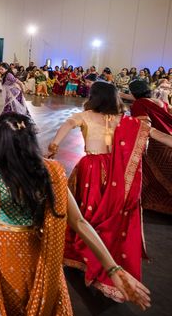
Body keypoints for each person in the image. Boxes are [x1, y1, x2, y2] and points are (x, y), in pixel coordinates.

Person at [0, 112, 150, 316]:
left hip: (0, 253)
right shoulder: (51, 171)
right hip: (39, 255)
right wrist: (113, 269)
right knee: (41, 306)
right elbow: (79, 222)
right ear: (31, 139)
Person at [47, 81, 172, 301]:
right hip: (115, 172)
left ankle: (85, 254)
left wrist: (54, 146)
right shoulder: (124, 120)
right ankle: (103, 255)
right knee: (107, 214)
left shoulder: (85, 116)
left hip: (91, 170)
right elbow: (155, 134)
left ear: (94, 97)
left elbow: (66, 124)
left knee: (85, 212)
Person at [125, 79, 172, 214]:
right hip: (168, 138)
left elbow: (144, 125)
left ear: (134, 92)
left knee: (147, 171)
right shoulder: (159, 102)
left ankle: (147, 202)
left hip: (158, 144)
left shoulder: (139, 104)